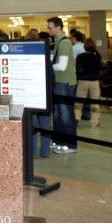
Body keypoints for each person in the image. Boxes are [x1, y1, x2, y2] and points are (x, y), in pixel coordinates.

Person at [47, 16, 77, 154]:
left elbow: (62, 66)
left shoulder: (64, 43)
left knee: (66, 115)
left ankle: (70, 145)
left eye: (50, 27)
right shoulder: (56, 42)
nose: (49, 30)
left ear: (58, 27)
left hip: (65, 83)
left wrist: (45, 66)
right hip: (58, 82)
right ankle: (59, 141)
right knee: (58, 114)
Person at [75, 38, 102, 127]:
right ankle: (94, 122)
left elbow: (77, 69)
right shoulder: (97, 56)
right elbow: (100, 68)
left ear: (84, 46)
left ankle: (77, 118)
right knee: (95, 102)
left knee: (79, 101)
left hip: (82, 80)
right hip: (94, 81)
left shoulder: (80, 56)